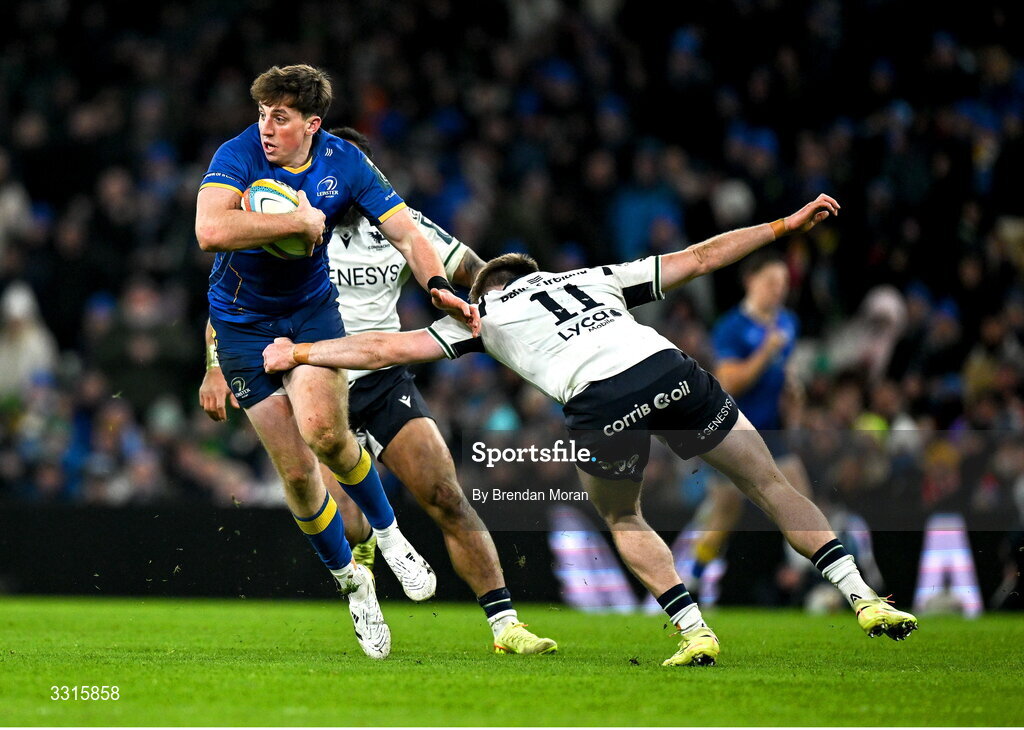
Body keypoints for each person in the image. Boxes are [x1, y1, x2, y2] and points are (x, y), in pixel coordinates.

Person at [264, 193, 921, 666]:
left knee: (626, 519)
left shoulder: (483, 318)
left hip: (602, 402)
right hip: (669, 368)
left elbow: (385, 350)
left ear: (487, 289)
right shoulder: (594, 277)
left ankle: (694, 629)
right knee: (771, 482)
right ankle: (864, 596)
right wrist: (785, 224)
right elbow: (699, 258)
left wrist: (300, 354)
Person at [201, 127, 556, 655]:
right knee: (344, 519)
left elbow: (470, 270)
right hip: (309, 380)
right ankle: (365, 574)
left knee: (444, 494)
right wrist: (212, 366)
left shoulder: (400, 222)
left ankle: (505, 624)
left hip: (381, 385)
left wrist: (521, 302)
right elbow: (232, 299)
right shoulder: (281, 217)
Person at [194, 64, 479, 660]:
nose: (266, 127)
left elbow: (407, 231)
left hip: (309, 315)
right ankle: (355, 586)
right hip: (242, 327)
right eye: (262, 114)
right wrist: (294, 221)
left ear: (311, 124)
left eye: (280, 116)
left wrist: (434, 284)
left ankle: (391, 535)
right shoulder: (239, 153)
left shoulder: (345, 162)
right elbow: (209, 231)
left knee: (327, 432)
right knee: (298, 475)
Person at [685, 251, 816, 597]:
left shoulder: (788, 322)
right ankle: (693, 578)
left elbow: (780, 379)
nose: (778, 291)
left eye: (783, 284)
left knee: (799, 492)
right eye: (771, 282)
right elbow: (728, 380)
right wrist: (766, 353)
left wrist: (793, 397)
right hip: (730, 430)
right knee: (727, 509)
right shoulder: (732, 327)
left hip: (770, 430)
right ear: (750, 281)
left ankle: (806, 578)